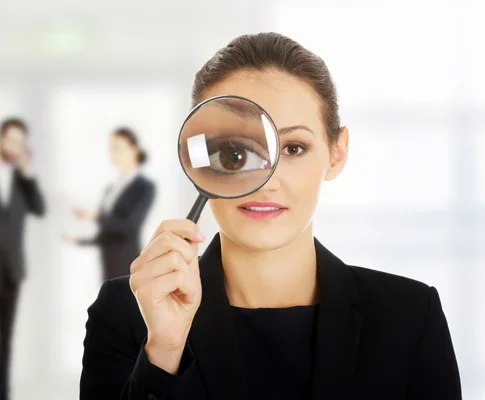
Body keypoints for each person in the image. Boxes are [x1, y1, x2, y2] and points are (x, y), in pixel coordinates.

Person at [80, 33, 461, 400]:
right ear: (200, 159)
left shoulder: (409, 317)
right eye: (234, 153)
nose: (268, 181)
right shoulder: (128, 311)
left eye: (294, 148)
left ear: (337, 153)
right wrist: (164, 349)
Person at [63, 128, 155, 281]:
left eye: (117, 148)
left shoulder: (144, 187)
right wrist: (81, 241)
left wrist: (95, 216)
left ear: (134, 149)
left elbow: (129, 226)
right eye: (111, 149)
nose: (113, 154)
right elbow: (107, 232)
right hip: (108, 263)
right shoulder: (111, 188)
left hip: (127, 263)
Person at [0, 117, 45, 400]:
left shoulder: (20, 179)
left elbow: (39, 208)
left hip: (10, 271)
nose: (15, 146)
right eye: (11, 140)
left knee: (4, 340)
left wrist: (29, 175)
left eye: (21, 142)